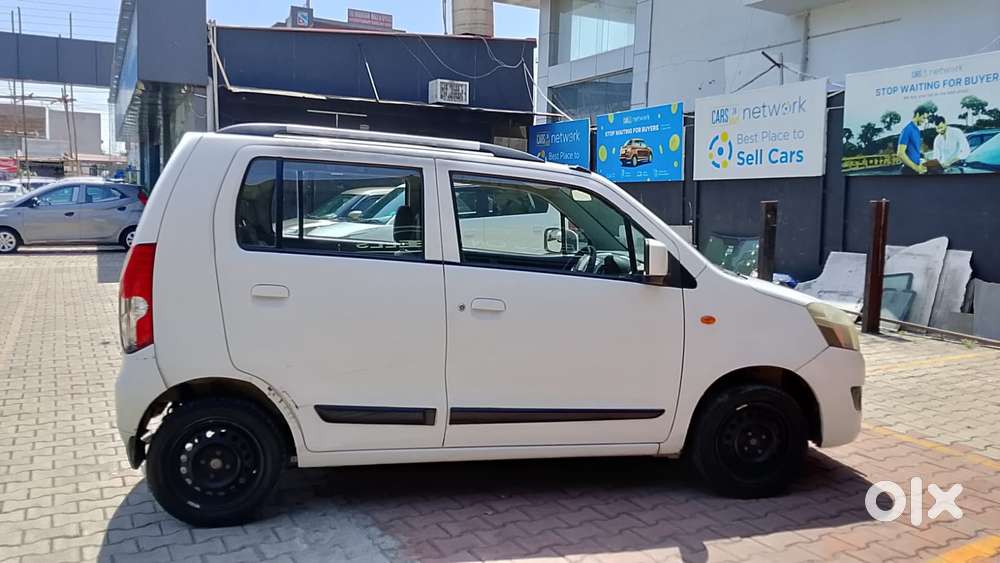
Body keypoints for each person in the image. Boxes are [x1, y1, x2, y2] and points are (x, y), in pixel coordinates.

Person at [897, 104, 932, 175]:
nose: (925, 121)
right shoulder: (908, 129)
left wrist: (922, 160)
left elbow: (915, 151)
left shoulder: (917, 130)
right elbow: (900, 154)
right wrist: (916, 168)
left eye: (926, 118)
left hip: (916, 170)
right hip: (908, 171)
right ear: (917, 114)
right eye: (923, 118)